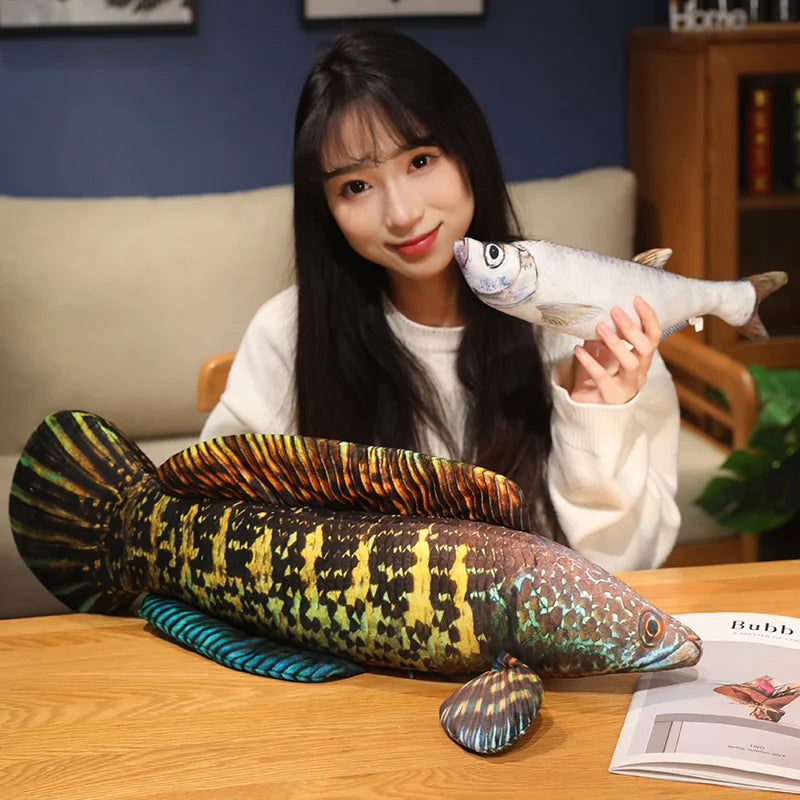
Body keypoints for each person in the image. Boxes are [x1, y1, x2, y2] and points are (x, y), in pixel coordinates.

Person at [200, 28, 680, 572]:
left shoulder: (581, 320)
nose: (402, 214)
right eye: (356, 186)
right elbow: (219, 537)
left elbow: (627, 569)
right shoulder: (288, 333)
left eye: (420, 160)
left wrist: (597, 418)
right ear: (325, 209)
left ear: (469, 150)